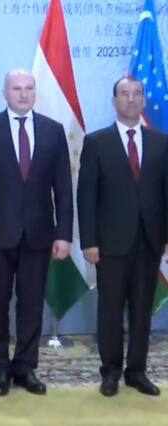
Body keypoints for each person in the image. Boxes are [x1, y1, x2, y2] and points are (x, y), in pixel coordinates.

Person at [0, 69, 73, 396]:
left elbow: (63, 189)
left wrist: (64, 234)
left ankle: (25, 366)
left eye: (29, 88)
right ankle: (0, 368)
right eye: (17, 89)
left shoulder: (53, 131)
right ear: (5, 93)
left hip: (39, 236)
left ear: (35, 92)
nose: (24, 94)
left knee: (32, 305)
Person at [77, 76, 168, 397]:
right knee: (111, 310)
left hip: (149, 241)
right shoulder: (96, 142)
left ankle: (137, 371)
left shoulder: (161, 141)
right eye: (125, 94)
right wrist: (89, 241)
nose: (131, 99)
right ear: (114, 101)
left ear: (143, 100)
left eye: (136, 94)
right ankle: (111, 370)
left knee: (142, 310)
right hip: (109, 243)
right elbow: (86, 196)